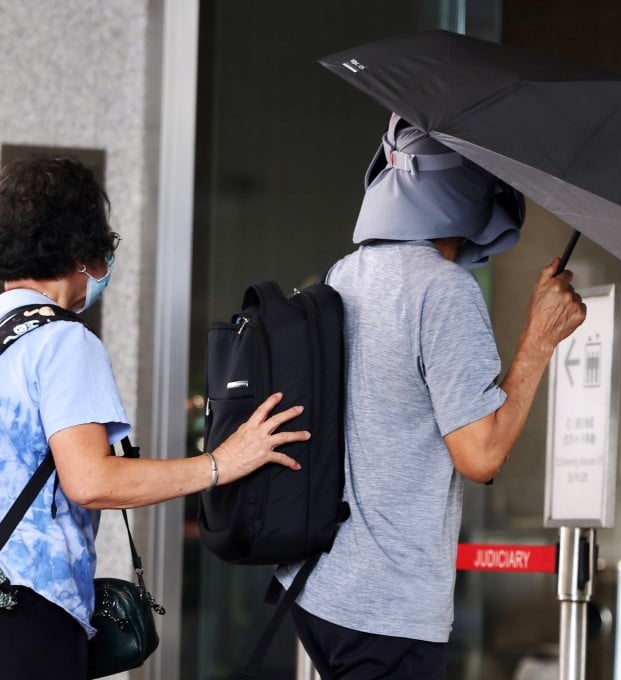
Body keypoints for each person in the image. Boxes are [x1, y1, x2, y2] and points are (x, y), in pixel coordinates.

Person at [276, 113, 587, 679]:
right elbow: (481, 454)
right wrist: (539, 340)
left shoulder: (343, 272)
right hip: (387, 606)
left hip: (319, 586)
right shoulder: (443, 290)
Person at [0, 156, 310, 679]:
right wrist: (220, 463)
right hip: (26, 608)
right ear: (80, 250)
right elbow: (91, 479)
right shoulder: (60, 342)